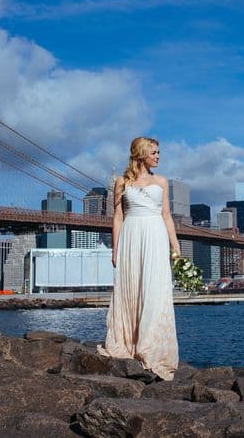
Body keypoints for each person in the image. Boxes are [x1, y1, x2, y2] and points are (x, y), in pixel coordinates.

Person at [99, 137, 181, 380]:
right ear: (141, 154)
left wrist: (175, 248)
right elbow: (118, 217)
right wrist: (115, 249)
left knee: (154, 291)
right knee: (132, 290)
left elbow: (166, 216)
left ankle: (151, 347)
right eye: (154, 152)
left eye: (158, 152)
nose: (158, 156)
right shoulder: (122, 183)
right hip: (131, 239)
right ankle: (130, 343)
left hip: (155, 237)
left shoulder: (162, 181)